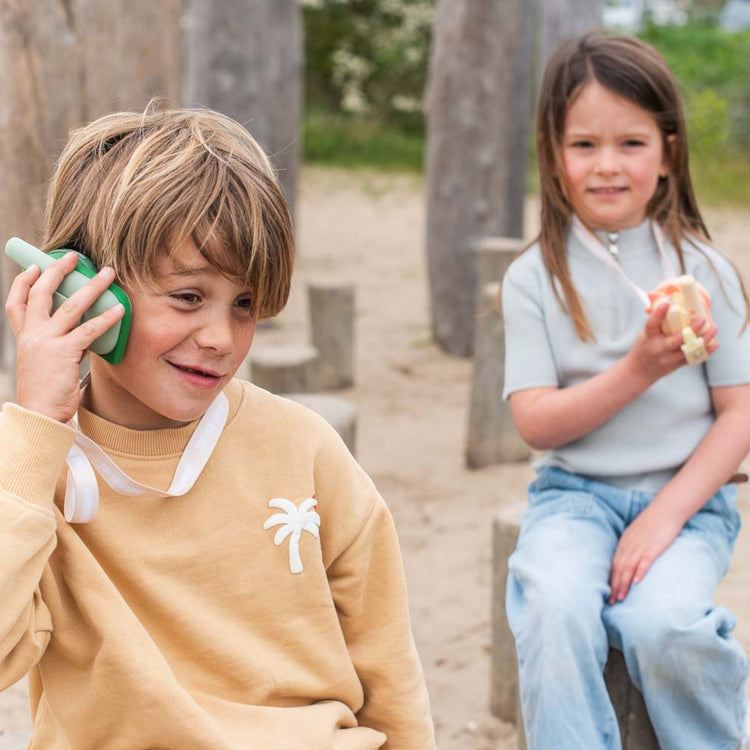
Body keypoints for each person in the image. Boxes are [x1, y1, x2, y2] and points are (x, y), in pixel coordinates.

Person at [0, 106, 435, 749]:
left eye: (245, 305)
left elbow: (386, 662)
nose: (220, 338)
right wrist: (35, 429)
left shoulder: (304, 447)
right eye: (187, 297)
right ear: (82, 288)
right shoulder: (31, 473)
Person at [502, 32, 750, 750]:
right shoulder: (533, 279)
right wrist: (639, 369)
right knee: (554, 609)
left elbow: (740, 415)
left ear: (668, 152)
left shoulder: (706, 270)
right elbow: (536, 423)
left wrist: (662, 519)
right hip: (573, 496)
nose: (607, 166)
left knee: (660, 624)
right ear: (553, 153)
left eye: (631, 143)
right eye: (584, 145)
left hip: (690, 502)